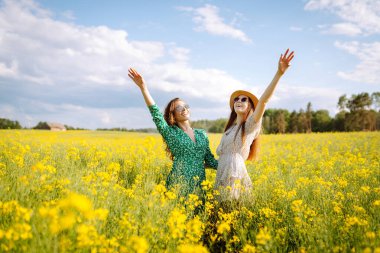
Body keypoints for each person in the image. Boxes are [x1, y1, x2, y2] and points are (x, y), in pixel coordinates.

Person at [215, 49, 295, 200]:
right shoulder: (229, 130)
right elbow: (222, 158)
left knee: (231, 213)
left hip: (235, 175)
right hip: (221, 174)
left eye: (244, 99)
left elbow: (264, 100)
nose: (239, 101)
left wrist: (279, 74)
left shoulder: (250, 126)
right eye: (237, 99)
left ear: (251, 106)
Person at [128, 68, 218, 197]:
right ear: (173, 114)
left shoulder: (201, 134)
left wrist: (233, 163)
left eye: (186, 106)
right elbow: (155, 113)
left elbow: (210, 161)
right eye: (179, 107)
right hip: (178, 185)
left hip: (199, 187)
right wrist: (143, 88)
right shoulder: (170, 132)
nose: (184, 109)